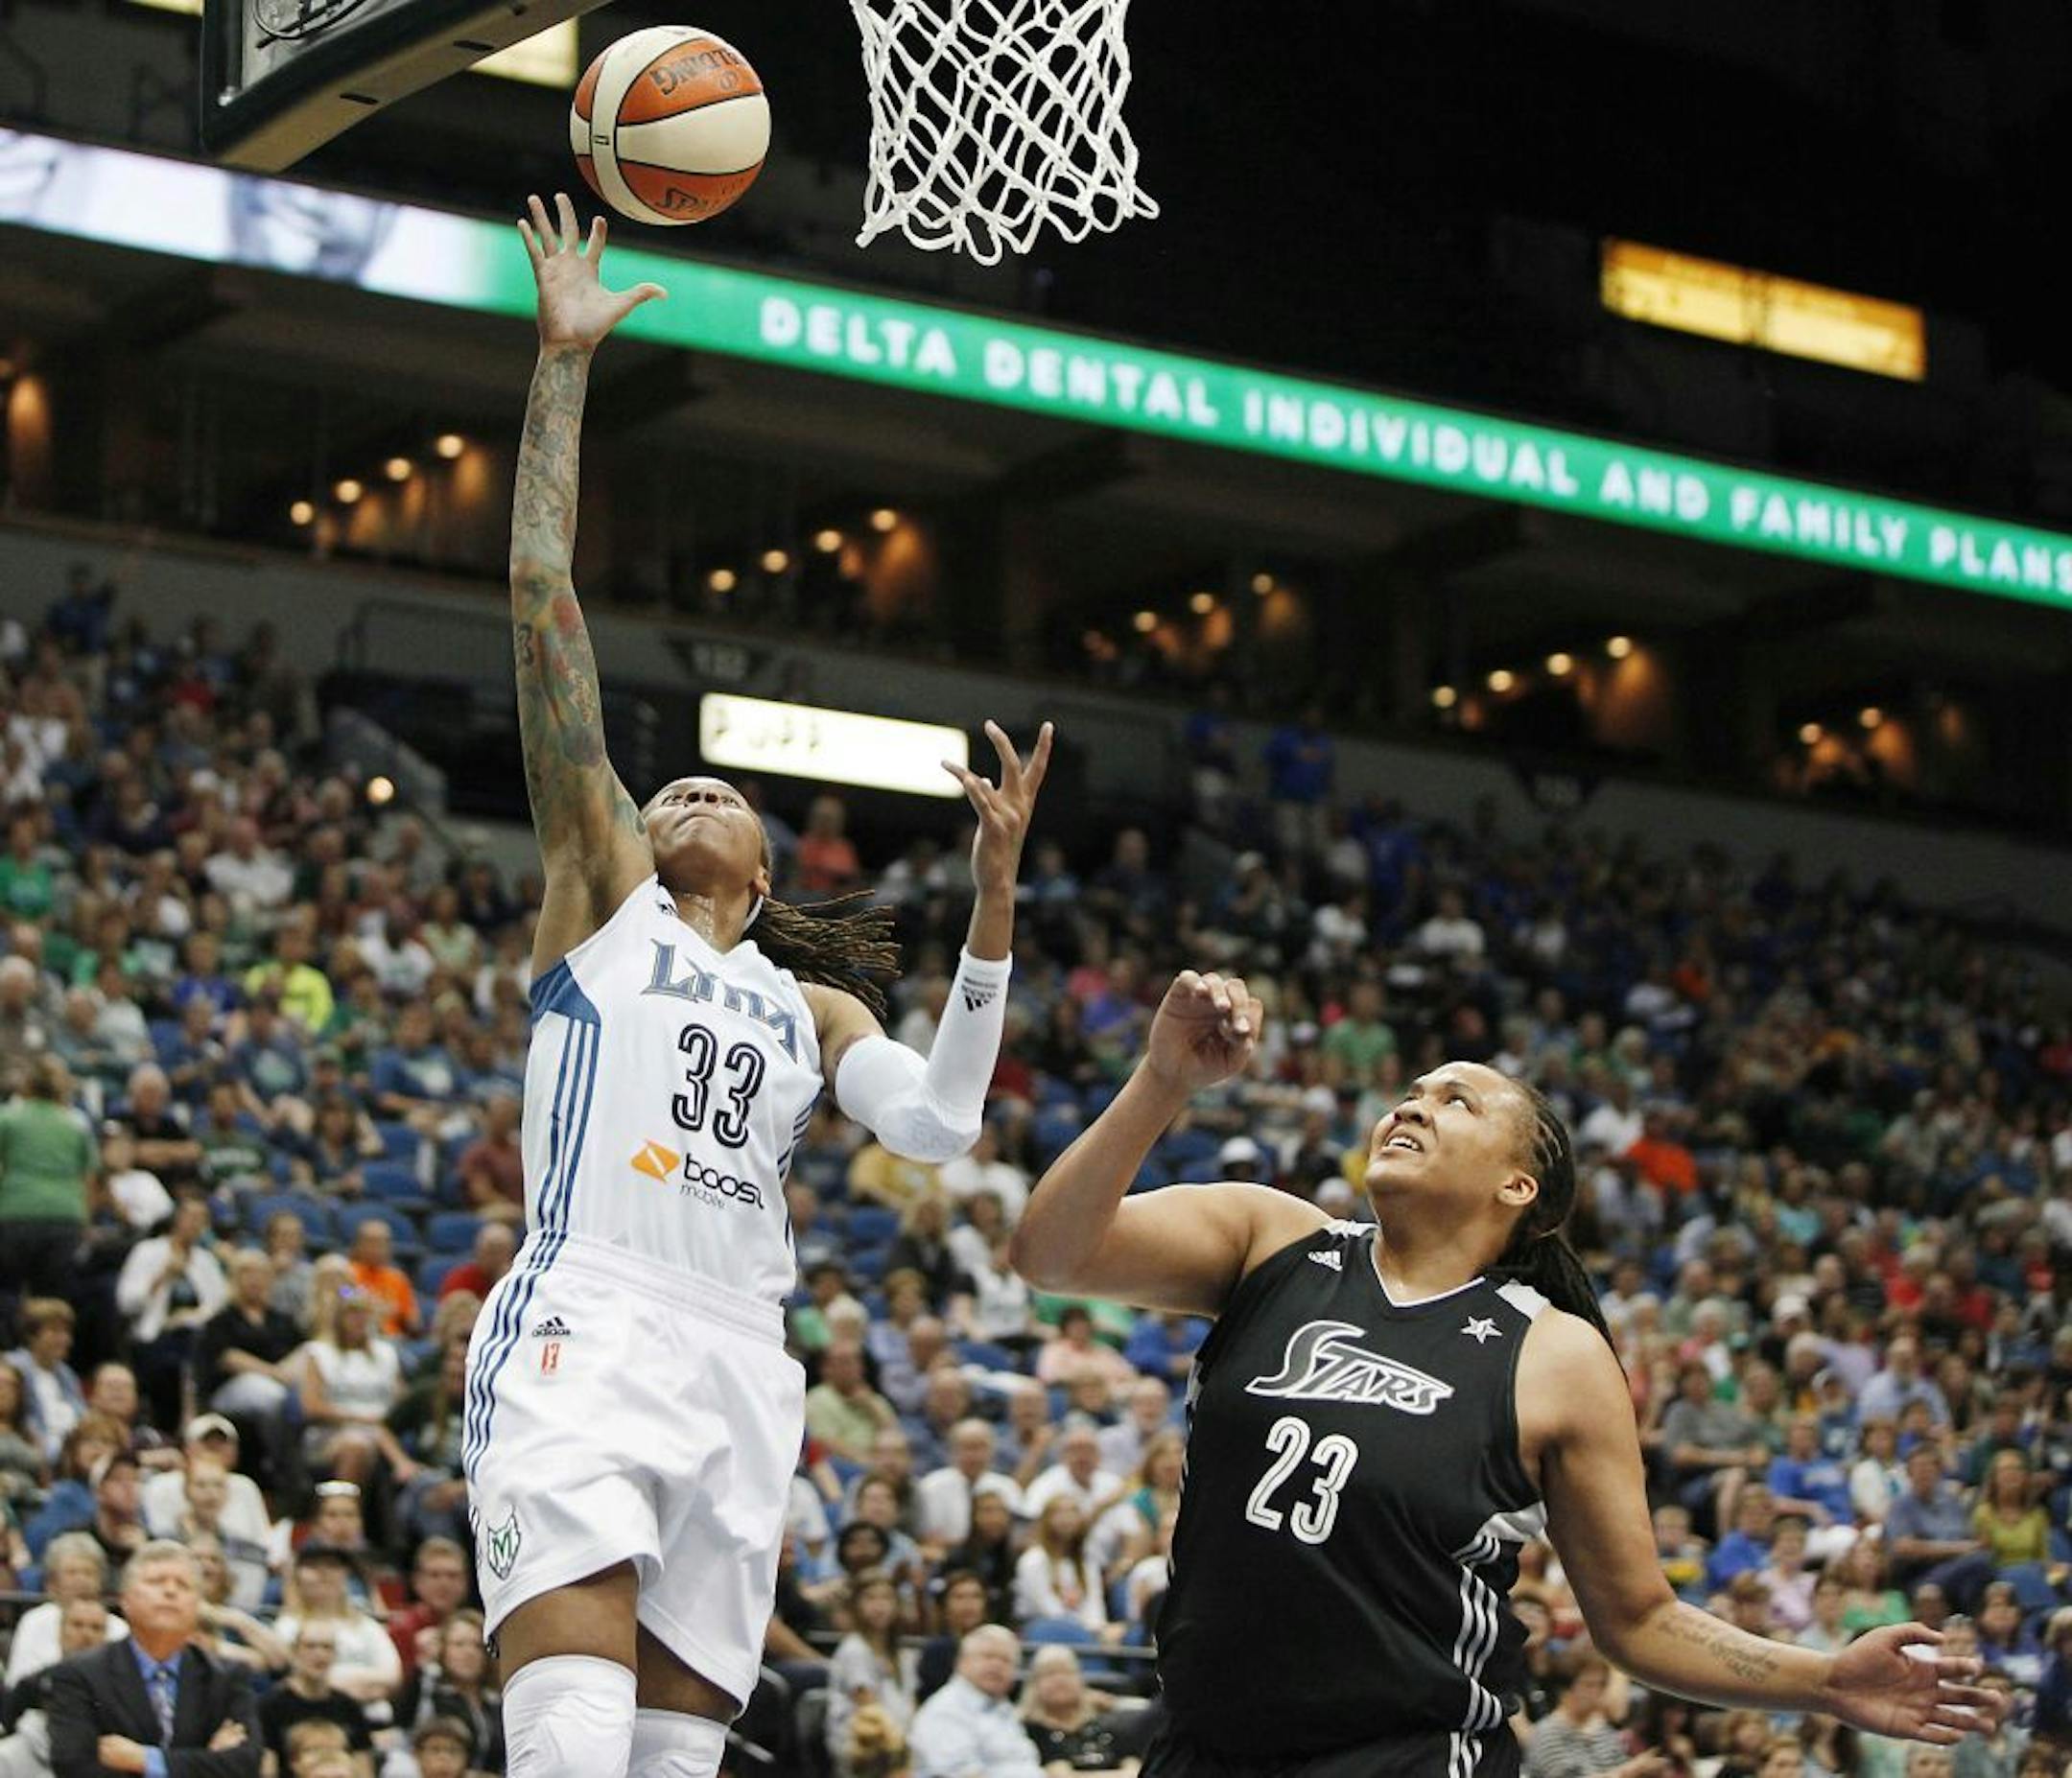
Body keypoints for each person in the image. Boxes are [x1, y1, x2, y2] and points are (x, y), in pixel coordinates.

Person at [463, 191, 1051, 1778]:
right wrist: (562, 366)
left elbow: (936, 1130)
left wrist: (992, 910)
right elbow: (540, 603)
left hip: (744, 1357)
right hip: (594, 1311)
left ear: (774, 868)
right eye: (674, 785)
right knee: (572, 1746)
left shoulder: (815, 1003)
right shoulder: (604, 898)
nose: (691, 788)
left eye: (725, 792)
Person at [1008, 970, 2003, 1776]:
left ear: (1517, 1185)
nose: (1413, 1105)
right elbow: (1051, 1256)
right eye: (1410, 1092)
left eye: (1457, 1099)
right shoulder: (1273, 1239)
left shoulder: (1554, 1353)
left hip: (1403, 1754)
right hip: (1202, 1743)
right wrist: (1163, 1084)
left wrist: (1823, 1680)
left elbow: (1639, 1618)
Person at [45, 1540, 262, 1778]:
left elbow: (244, 1765)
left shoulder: (227, 1677)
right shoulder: (79, 1674)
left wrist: (144, 1759)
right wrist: (204, 1762)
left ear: (198, 1605)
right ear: (125, 1599)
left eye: (183, 1585)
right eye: (156, 1581)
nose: (170, 1591)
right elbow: (74, 1766)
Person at [906, 1627, 1042, 1778]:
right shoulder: (946, 1710)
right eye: (988, 1656)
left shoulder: (1003, 1708)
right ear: (961, 1662)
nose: (997, 1665)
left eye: (1006, 1660)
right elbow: (963, 1774)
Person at [254, 1623, 375, 1778]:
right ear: (294, 1651)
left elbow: (364, 1770)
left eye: (327, 1647)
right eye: (310, 1646)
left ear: (335, 1654)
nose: (319, 1654)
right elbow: (267, 1771)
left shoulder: (349, 1706)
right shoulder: (269, 1705)